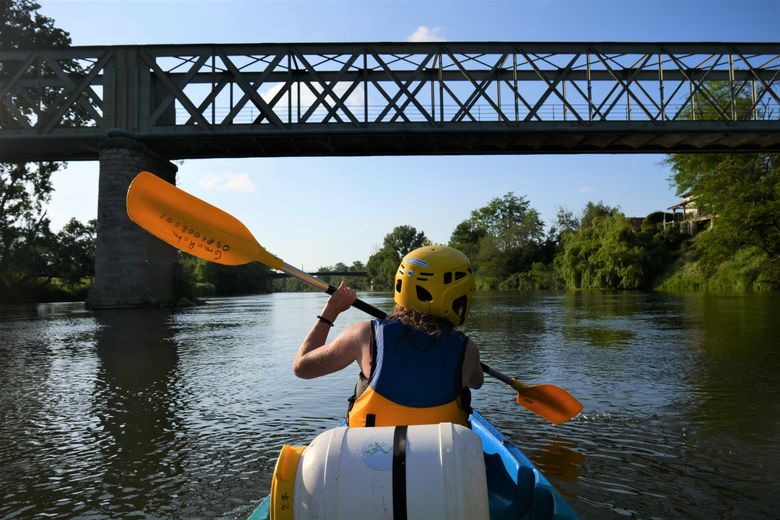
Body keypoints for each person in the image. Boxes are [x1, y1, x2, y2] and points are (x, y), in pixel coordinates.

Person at [293, 245, 483, 427]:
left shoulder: (363, 335)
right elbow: (477, 382)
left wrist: (331, 310)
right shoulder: (467, 349)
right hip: (441, 449)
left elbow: (302, 367)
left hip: (370, 448)